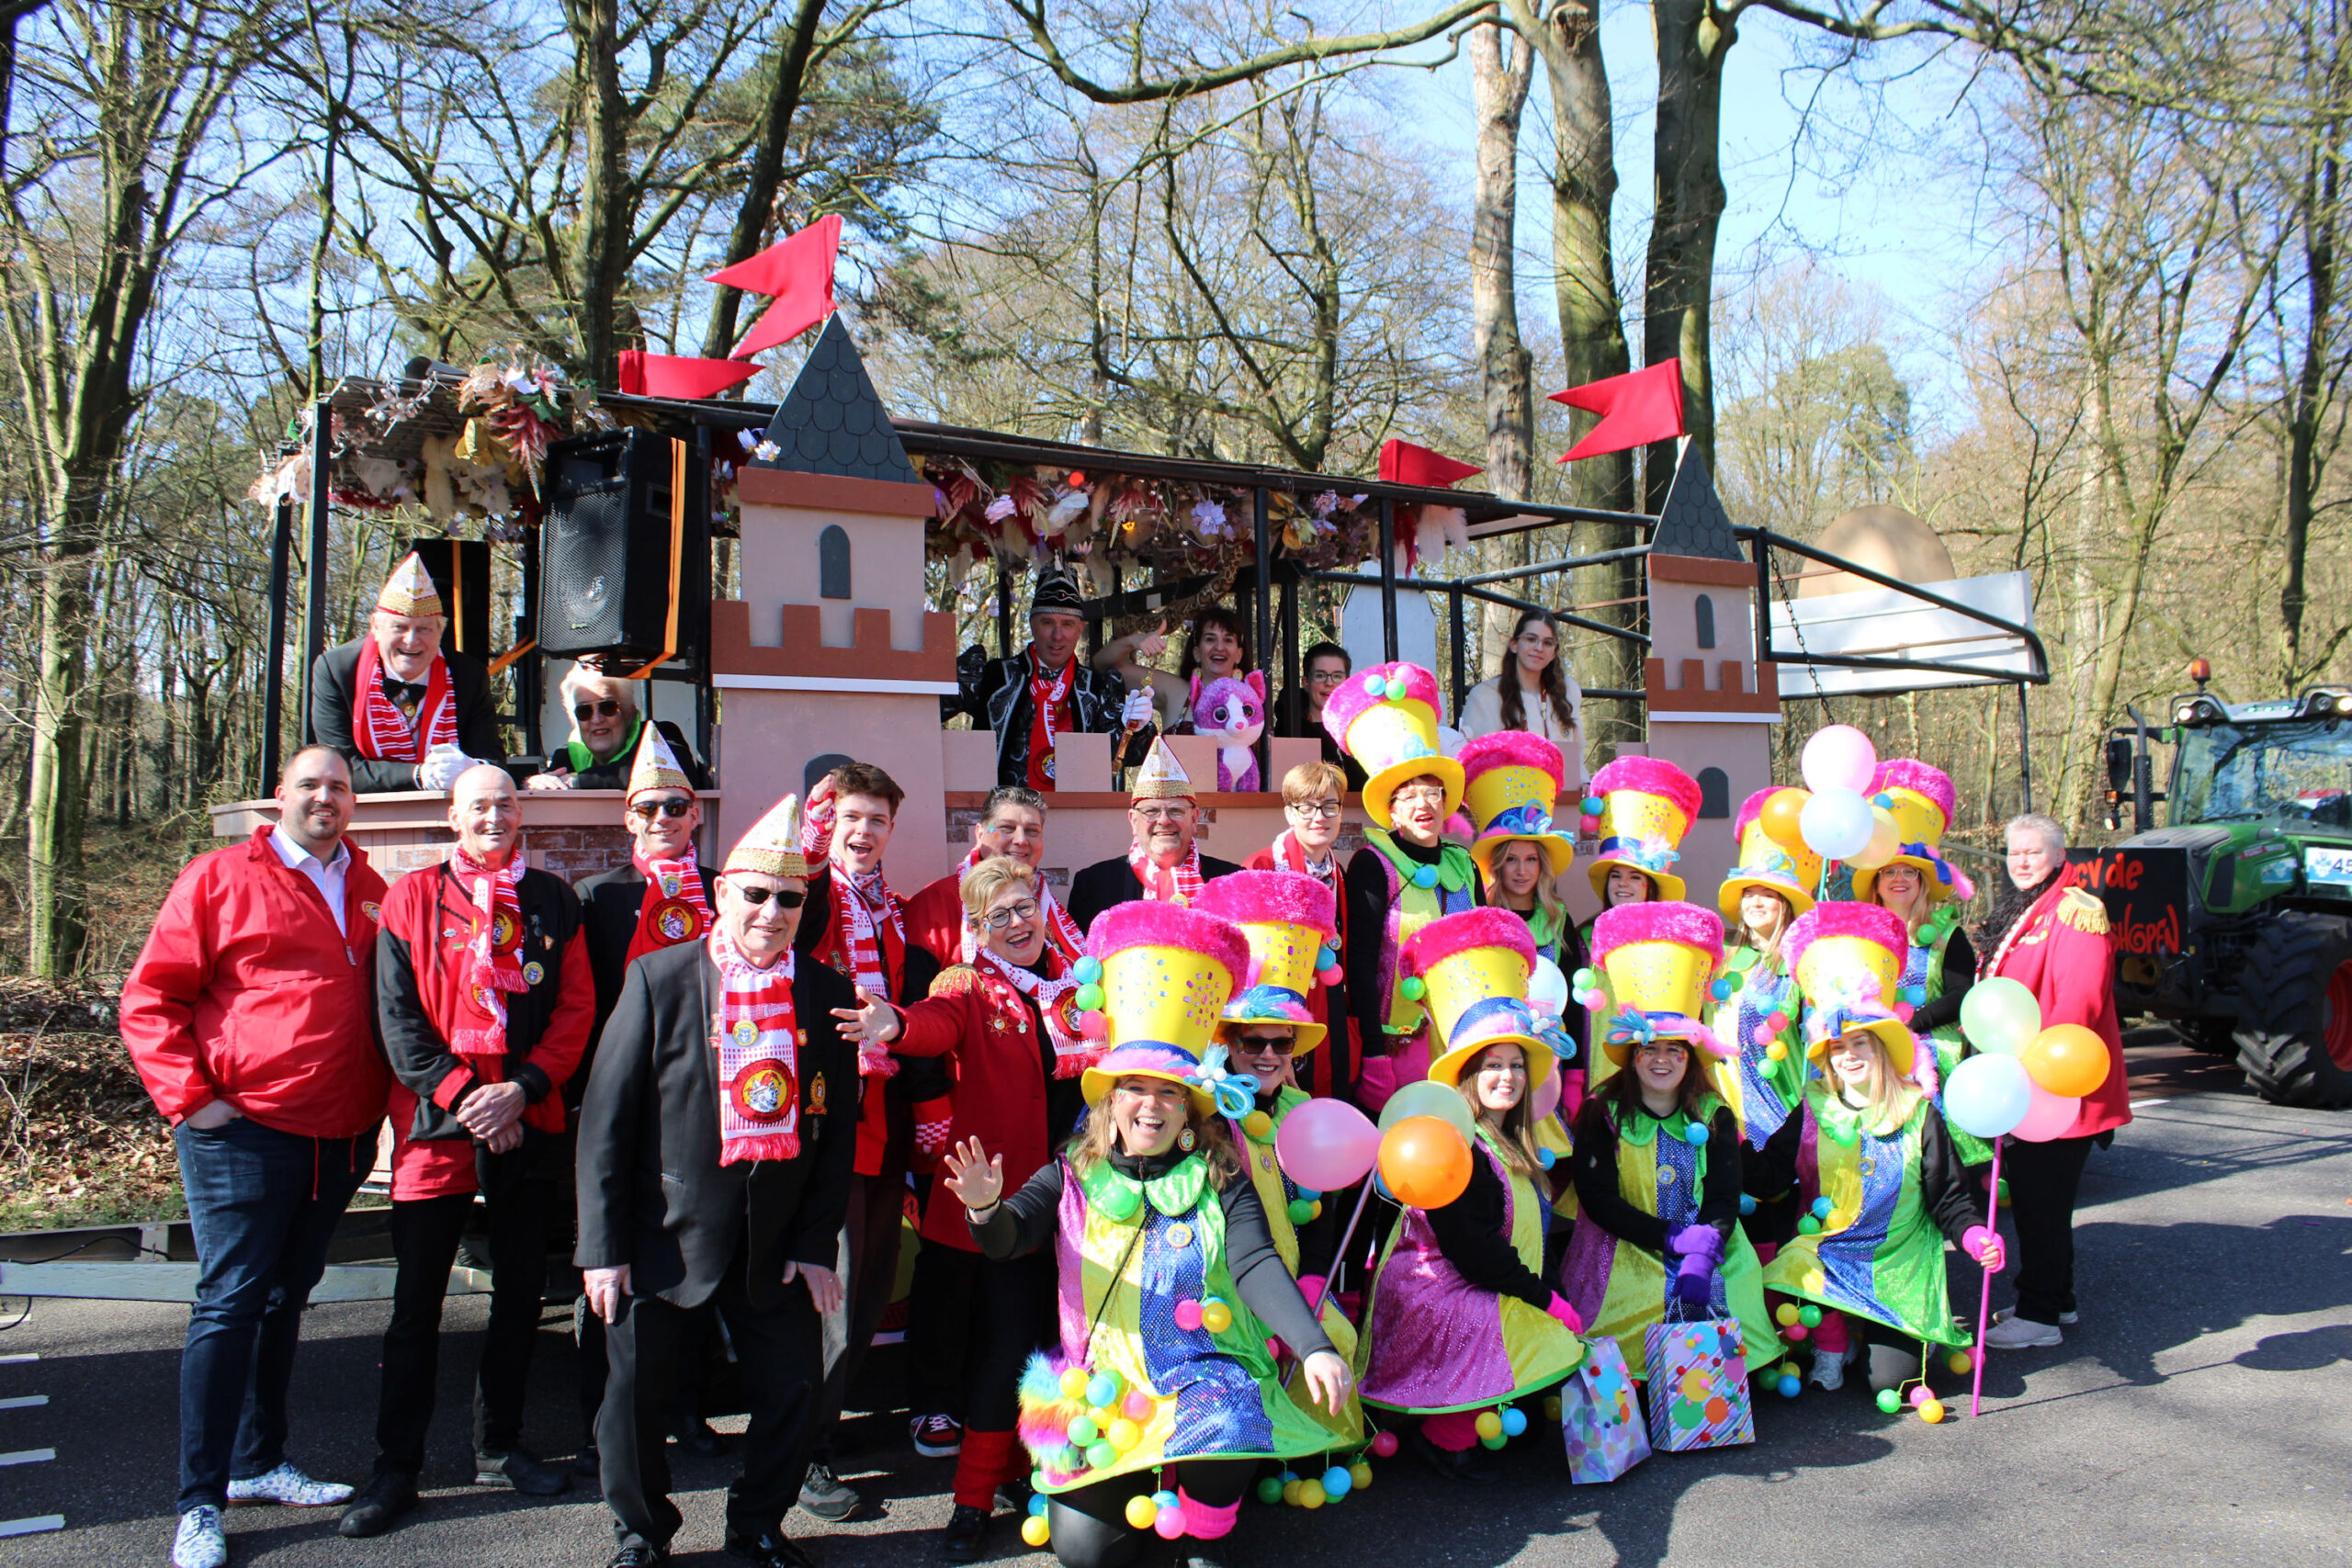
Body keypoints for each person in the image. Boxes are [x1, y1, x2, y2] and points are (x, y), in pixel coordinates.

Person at [949, 900, 1349, 1568]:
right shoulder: (1070, 1173)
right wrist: (988, 1210)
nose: (1151, 1105)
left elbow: (1255, 1262)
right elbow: (1010, 1239)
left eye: (1169, 1092)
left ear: (1189, 1107)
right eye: (1135, 1088)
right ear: (1111, 1100)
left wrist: (1312, 1346)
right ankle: (1144, 1483)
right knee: (1085, 1554)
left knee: (1231, 1421)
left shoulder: (1221, 1174)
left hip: (1204, 1374)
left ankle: (1205, 1531)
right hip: (1106, 1388)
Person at [575, 792, 861, 1568]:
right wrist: (602, 1249)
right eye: (756, 894)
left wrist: (814, 1244)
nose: (771, 912)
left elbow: (836, 1132)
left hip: (775, 1241)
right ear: (724, 892)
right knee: (633, 1400)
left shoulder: (828, 994)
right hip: (662, 1234)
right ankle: (642, 1532)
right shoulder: (657, 979)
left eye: (789, 899)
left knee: (794, 1391)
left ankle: (759, 1523)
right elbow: (605, 1124)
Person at [121, 747, 391, 1568]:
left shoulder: (372, 886)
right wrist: (192, 1099)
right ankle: (199, 1501)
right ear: (281, 797)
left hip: (340, 1135)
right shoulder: (218, 877)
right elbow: (150, 997)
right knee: (230, 1304)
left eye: (338, 786)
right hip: (243, 1131)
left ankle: (259, 1460)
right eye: (309, 784)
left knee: (285, 1299)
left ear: (353, 802)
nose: (325, 797)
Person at [341, 763, 594, 1538]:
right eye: (478, 805)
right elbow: (397, 1020)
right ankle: (396, 1466)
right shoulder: (411, 898)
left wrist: (520, 1088)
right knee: (415, 1307)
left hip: (526, 1118)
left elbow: (576, 1008)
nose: (494, 815)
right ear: (453, 817)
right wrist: (470, 1099)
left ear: (522, 815)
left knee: (519, 1295)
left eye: (506, 803)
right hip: (438, 1126)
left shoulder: (554, 899)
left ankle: (500, 1444)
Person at [831, 857, 1091, 1559]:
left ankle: (1039, 1473)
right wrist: (892, 1024)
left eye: (1024, 906)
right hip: (1011, 1203)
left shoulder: (1078, 983)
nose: (1016, 922)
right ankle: (972, 1500)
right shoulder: (965, 983)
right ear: (977, 926)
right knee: (1007, 1349)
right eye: (997, 914)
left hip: (1086, 1200)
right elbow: (933, 1024)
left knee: (1063, 1347)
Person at [1358, 910, 1586, 1483]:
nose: (1507, 1076)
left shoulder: (1513, 1142)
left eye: (1516, 1065)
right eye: (1492, 1066)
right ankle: (1444, 1436)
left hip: (1481, 1281)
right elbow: (1474, 1252)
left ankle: (1472, 1415)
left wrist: (1552, 1293)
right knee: (1535, 1334)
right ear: (1467, 1077)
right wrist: (1547, 1301)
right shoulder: (1459, 1146)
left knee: (1546, 1361)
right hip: (1437, 1292)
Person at [1751, 902, 2001, 1395]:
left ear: (1882, 1048)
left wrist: (1974, 1235)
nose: (1849, 1056)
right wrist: (1721, 1147)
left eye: (1861, 1043)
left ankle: (1882, 1333)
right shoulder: (1814, 1107)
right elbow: (1769, 1174)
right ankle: (1833, 1340)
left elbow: (1948, 1195)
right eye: (1837, 1048)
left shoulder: (1919, 1111)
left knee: (1889, 1380)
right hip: (1829, 1250)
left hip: (1897, 1262)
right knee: (1786, 1271)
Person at [791, 761, 946, 1519]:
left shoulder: (895, 911)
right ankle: (802, 1451)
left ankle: (818, 1425)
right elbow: (792, 925)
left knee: (872, 1285)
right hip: (829, 1125)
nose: (863, 831)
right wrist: (810, 848)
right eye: (850, 817)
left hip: (885, 1123)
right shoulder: (810, 895)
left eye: (877, 820)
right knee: (835, 1292)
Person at [570, 728, 726, 1475]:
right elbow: (582, 1001)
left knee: (696, 1260)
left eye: (675, 805)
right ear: (628, 816)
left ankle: (688, 1406)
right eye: (648, 807)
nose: (663, 818)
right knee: (615, 1263)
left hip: (708, 1099)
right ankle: (607, 1413)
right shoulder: (597, 897)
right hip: (625, 1100)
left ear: (695, 814)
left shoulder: (727, 890)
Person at [1558, 903, 1779, 1383]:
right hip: (1623, 1248)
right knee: (1628, 1325)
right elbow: (1598, 1200)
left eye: (1674, 1049)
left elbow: (1723, 1196)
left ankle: (1706, 1384)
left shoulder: (1715, 1112)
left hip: (1706, 1244)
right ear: (1632, 1057)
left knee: (1730, 1304)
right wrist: (1672, 1238)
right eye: (1650, 1049)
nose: (1662, 1060)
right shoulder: (1601, 1111)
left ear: (1690, 1056)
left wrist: (1701, 1251)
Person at [1191, 870, 1364, 1447]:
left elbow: (1324, 1204)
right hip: (1224, 1296)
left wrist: (1314, 1276)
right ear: (1227, 1043)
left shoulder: (1303, 1111)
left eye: (1282, 1041)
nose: (1267, 1054)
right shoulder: (1205, 1113)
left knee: (1335, 1338)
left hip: (1295, 1280)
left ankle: (1304, 1454)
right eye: (1252, 1041)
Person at [1978, 813, 2129, 1350]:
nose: (2021, 862)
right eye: (2014, 852)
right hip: (2026, 1083)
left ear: (2059, 857)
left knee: (2041, 1205)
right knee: (2042, 1201)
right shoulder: (2025, 907)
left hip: (2057, 1085)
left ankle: (2038, 1316)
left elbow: (2078, 1005)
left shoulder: (2076, 911)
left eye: (2033, 852)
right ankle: (2057, 1300)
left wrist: (2036, 1070)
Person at [1323, 662, 1477, 1109]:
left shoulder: (1465, 863)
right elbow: (1360, 965)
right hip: (1396, 1047)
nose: (1422, 804)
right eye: (1408, 795)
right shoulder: (1373, 864)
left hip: (1461, 1037)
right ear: (1391, 810)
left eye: (1432, 792)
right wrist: (1373, 1052)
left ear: (1446, 802)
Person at [1854, 759, 1987, 1166]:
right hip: (1875, 1051)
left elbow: (1962, 995)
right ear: (1876, 884)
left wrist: (1912, 1025)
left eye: (1909, 872)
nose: (1899, 879)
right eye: (1889, 872)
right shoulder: (1861, 935)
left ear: (1923, 882)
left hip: (1933, 1050)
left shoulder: (1948, 933)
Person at [1461, 731, 1588, 1118]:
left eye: (1530, 859)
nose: (1521, 870)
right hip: (1494, 1064)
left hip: (1550, 1060)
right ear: (1498, 864)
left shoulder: (1559, 919)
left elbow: (1575, 1004)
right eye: (1511, 859)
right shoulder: (1481, 919)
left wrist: (1576, 1076)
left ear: (1542, 865)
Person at [308, 551, 502, 794]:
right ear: (375, 627)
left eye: (424, 629)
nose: (411, 641)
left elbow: (491, 759)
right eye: (399, 627)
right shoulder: (337, 670)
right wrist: (419, 775)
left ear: (440, 631)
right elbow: (337, 767)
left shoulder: (469, 675)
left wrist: (471, 768)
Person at [945, 565, 1155, 789]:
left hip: (1076, 808)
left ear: (1080, 629)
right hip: (1001, 808)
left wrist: (1134, 727)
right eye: (1048, 623)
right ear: (1032, 625)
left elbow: (1124, 757)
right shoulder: (994, 676)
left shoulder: (1097, 686)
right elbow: (933, 709)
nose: (1058, 635)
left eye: (1067, 624)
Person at [1712, 787, 1818, 1179]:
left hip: (1781, 1108)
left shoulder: (1803, 962)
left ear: (1785, 902)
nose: (1755, 902)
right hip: (1724, 1107)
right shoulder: (1720, 958)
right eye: (1749, 893)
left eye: (1768, 894)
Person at [1241, 761, 1357, 1101]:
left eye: (1330, 806)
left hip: (1331, 1018)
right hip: (1278, 1027)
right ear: (1289, 814)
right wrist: (1277, 1051)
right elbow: (1249, 967)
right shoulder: (1261, 868)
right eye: (1306, 807)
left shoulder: (1339, 874)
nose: (1319, 817)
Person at [1066, 739, 1244, 931]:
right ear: (1134, 821)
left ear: (1194, 819)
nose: (1164, 820)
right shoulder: (1093, 884)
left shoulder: (1233, 882)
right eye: (1151, 811)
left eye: (1176, 810)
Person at [903, 784, 1082, 969]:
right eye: (1007, 828)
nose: (1021, 840)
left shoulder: (1048, 905)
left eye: (1032, 831)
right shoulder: (932, 905)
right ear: (980, 834)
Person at [526, 662, 712, 792]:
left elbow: (671, 772)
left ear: (629, 711)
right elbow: (547, 784)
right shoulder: (566, 754)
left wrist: (578, 781)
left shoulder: (660, 735)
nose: (596, 719)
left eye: (608, 707)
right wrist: (534, 782)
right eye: (584, 711)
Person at [1457, 609, 1586, 788]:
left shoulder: (1568, 691)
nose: (1539, 648)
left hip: (1563, 796)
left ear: (1553, 653)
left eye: (1547, 643)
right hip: (1506, 797)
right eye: (1531, 639)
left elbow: (1577, 753)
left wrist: (1584, 782)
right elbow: (1471, 762)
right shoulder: (1485, 696)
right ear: (1514, 645)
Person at [1093, 605, 1253, 735]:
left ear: (1239, 654)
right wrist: (1132, 641)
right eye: (1210, 639)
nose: (1219, 647)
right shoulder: (1175, 691)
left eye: (1228, 640)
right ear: (1196, 653)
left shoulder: (1251, 703)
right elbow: (1103, 666)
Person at [1273, 641, 1366, 791]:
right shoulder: (1290, 729)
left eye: (1337, 676)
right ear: (1306, 682)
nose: (1329, 683)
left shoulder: (1362, 729)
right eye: (1320, 675)